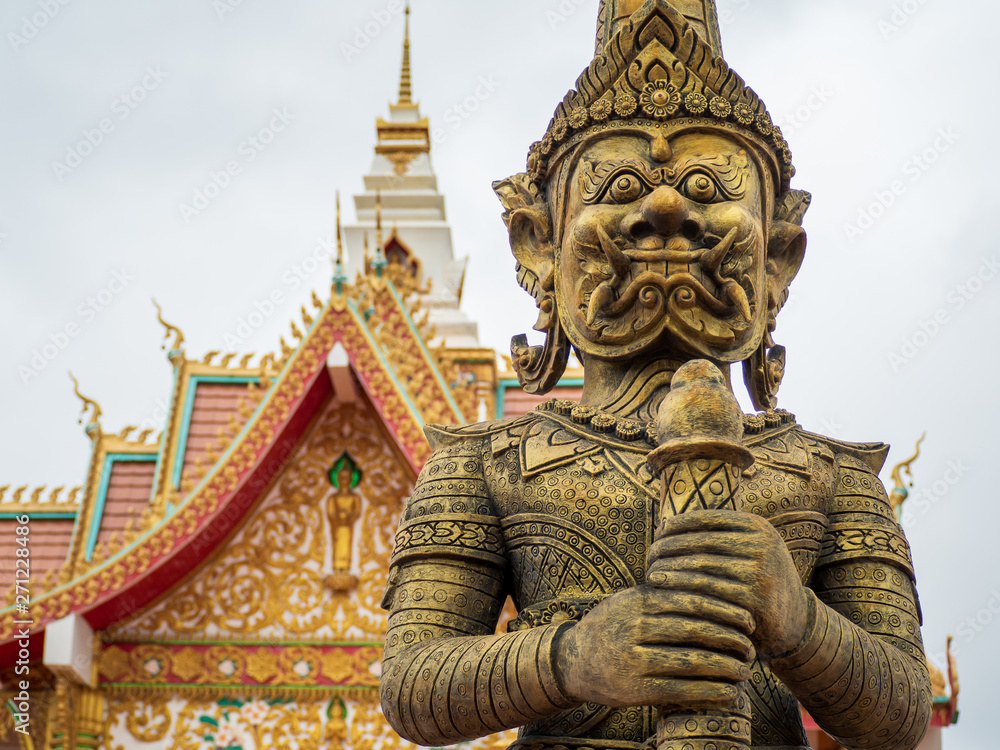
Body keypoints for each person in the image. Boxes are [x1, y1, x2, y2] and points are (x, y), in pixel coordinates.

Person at [379, 3, 932, 749]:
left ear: (777, 259)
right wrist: (570, 658)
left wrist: (798, 620)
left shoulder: (829, 477)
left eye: (709, 190)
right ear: (539, 248)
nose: (667, 209)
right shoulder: (485, 467)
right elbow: (413, 687)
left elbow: (899, 714)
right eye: (618, 189)